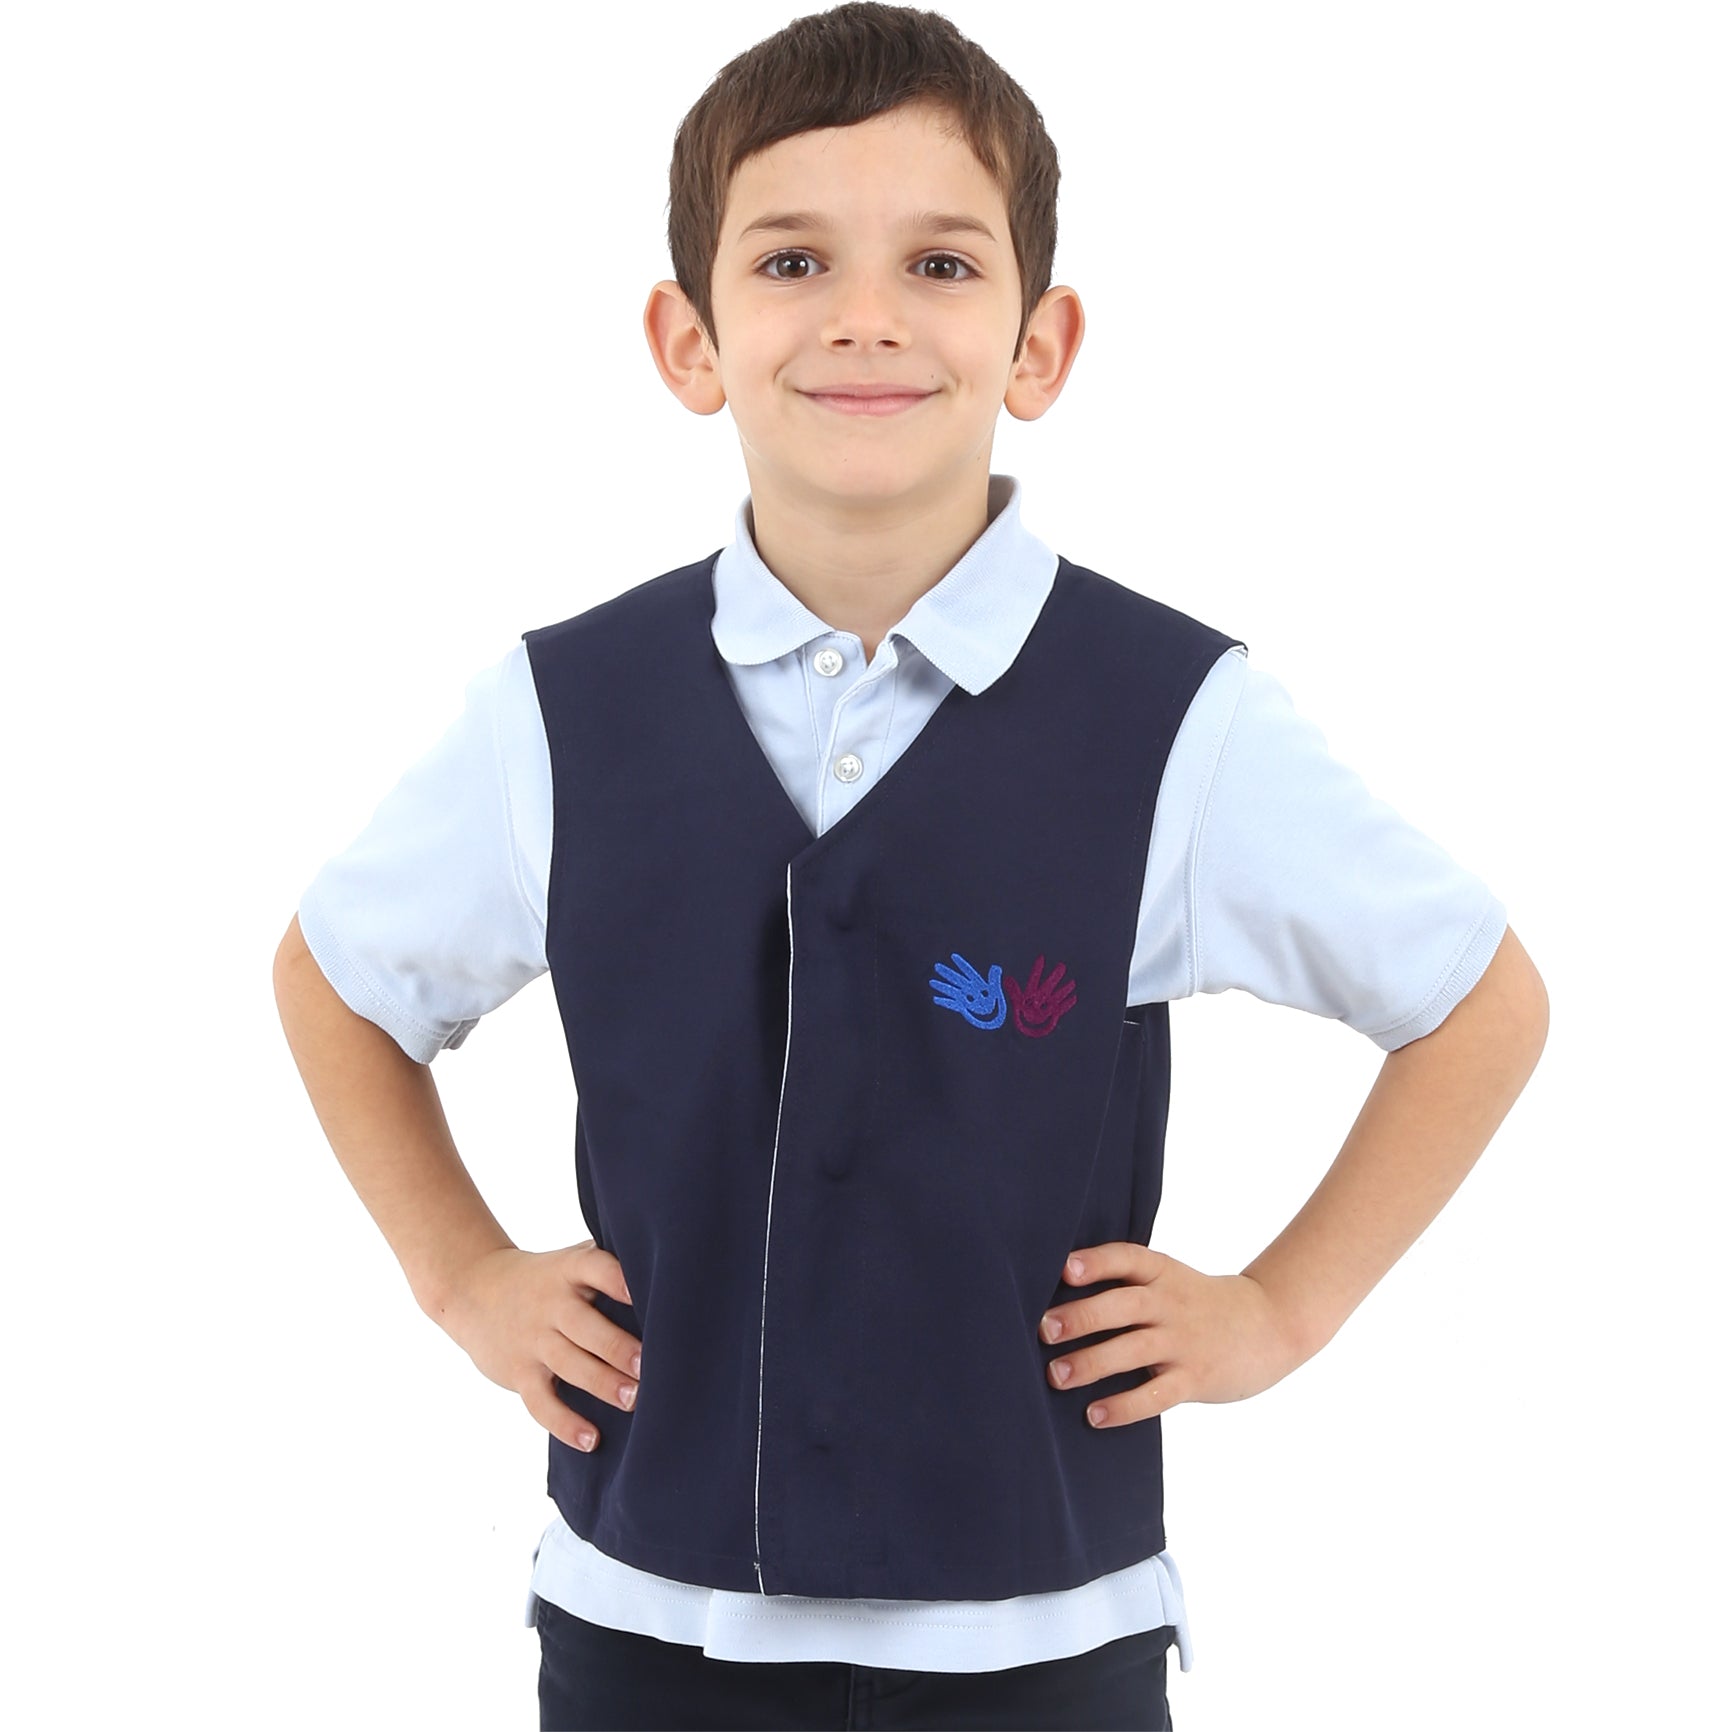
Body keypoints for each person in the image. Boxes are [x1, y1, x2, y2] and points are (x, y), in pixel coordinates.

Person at [272, 5, 1549, 1727]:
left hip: (1042, 1644)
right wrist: (459, 1275)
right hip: (642, 1628)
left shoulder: (1180, 721)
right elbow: (338, 979)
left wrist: (1278, 1313)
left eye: (941, 263)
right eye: (793, 258)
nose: (865, 315)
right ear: (688, 338)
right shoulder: (558, 713)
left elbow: (1476, 998)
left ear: (1039, 343)